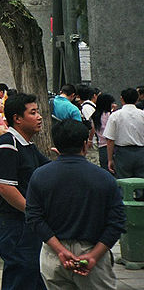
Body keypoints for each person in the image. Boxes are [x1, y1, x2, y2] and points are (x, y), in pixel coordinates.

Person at [26, 120, 126, 290]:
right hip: (93, 250)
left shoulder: (40, 176)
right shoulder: (104, 178)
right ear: (85, 145)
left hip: (54, 254)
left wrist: (60, 251)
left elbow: (34, 217)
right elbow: (117, 221)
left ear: (56, 145)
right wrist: (94, 256)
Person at [0, 93, 50, 290]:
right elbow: (4, 187)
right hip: (16, 225)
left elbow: (48, 170)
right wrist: (32, 212)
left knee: (33, 276)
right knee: (21, 276)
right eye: (33, 113)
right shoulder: (8, 145)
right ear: (17, 118)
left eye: (38, 111)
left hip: (29, 223)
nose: (39, 117)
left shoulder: (28, 146)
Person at [105, 87, 144, 179]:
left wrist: (110, 159)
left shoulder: (115, 116)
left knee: (123, 184)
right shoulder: (142, 115)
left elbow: (110, 140)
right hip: (141, 152)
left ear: (121, 99)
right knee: (142, 185)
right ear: (137, 98)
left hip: (122, 153)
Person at [91, 93, 115, 171]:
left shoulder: (95, 115)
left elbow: (93, 129)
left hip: (101, 146)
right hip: (111, 147)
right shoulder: (110, 116)